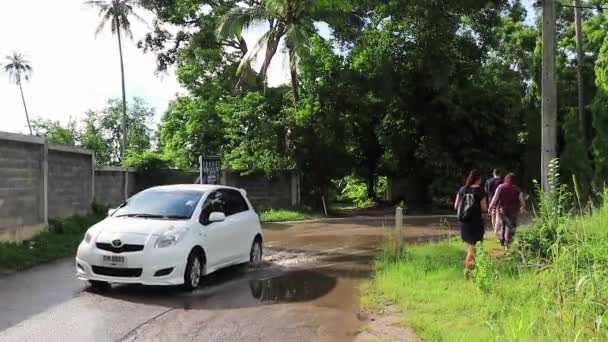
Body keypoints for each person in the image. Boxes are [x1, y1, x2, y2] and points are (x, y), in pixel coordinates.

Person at [454, 169, 487, 278]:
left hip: (464, 222)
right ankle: (468, 272)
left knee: (469, 246)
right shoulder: (481, 191)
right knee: (473, 248)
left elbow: (456, 206)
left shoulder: (463, 189)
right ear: (479, 179)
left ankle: (471, 270)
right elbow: (484, 208)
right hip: (476, 223)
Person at [488, 173, 525, 249]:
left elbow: (495, 198)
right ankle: (508, 244)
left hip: (502, 210)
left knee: (502, 225)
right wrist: (522, 207)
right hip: (513, 211)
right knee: (510, 227)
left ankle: (502, 239)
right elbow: (522, 200)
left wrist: (490, 207)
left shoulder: (500, 187)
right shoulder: (517, 189)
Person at [484, 168, 503, 235]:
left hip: (491, 199)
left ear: (493, 173)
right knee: (498, 215)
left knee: (493, 215)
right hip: (500, 200)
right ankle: (497, 230)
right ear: (500, 174)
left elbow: (485, 190)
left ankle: (494, 228)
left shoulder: (488, 181)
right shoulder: (502, 181)